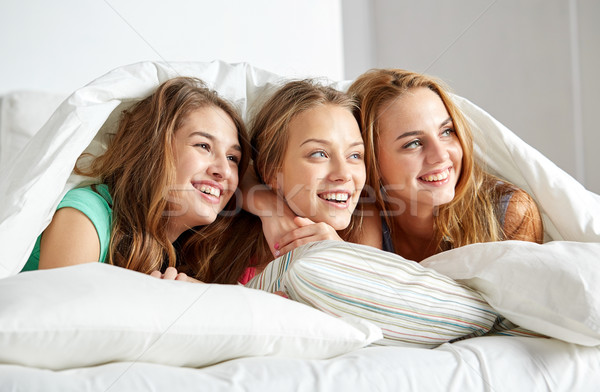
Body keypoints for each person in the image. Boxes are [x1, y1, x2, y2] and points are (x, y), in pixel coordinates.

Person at [21, 76, 251, 284]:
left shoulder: (182, 254)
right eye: (203, 145)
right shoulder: (86, 216)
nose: (224, 170)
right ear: (153, 151)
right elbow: (67, 324)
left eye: (233, 157)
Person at [348, 68, 544, 261]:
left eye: (447, 132)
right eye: (413, 143)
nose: (441, 155)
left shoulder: (509, 212)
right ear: (369, 159)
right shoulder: (356, 218)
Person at [228, 79, 373, 283]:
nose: (344, 174)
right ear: (271, 171)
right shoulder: (229, 249)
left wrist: (340, 255)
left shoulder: (367, 230)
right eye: (319, 154)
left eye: (355, 155)